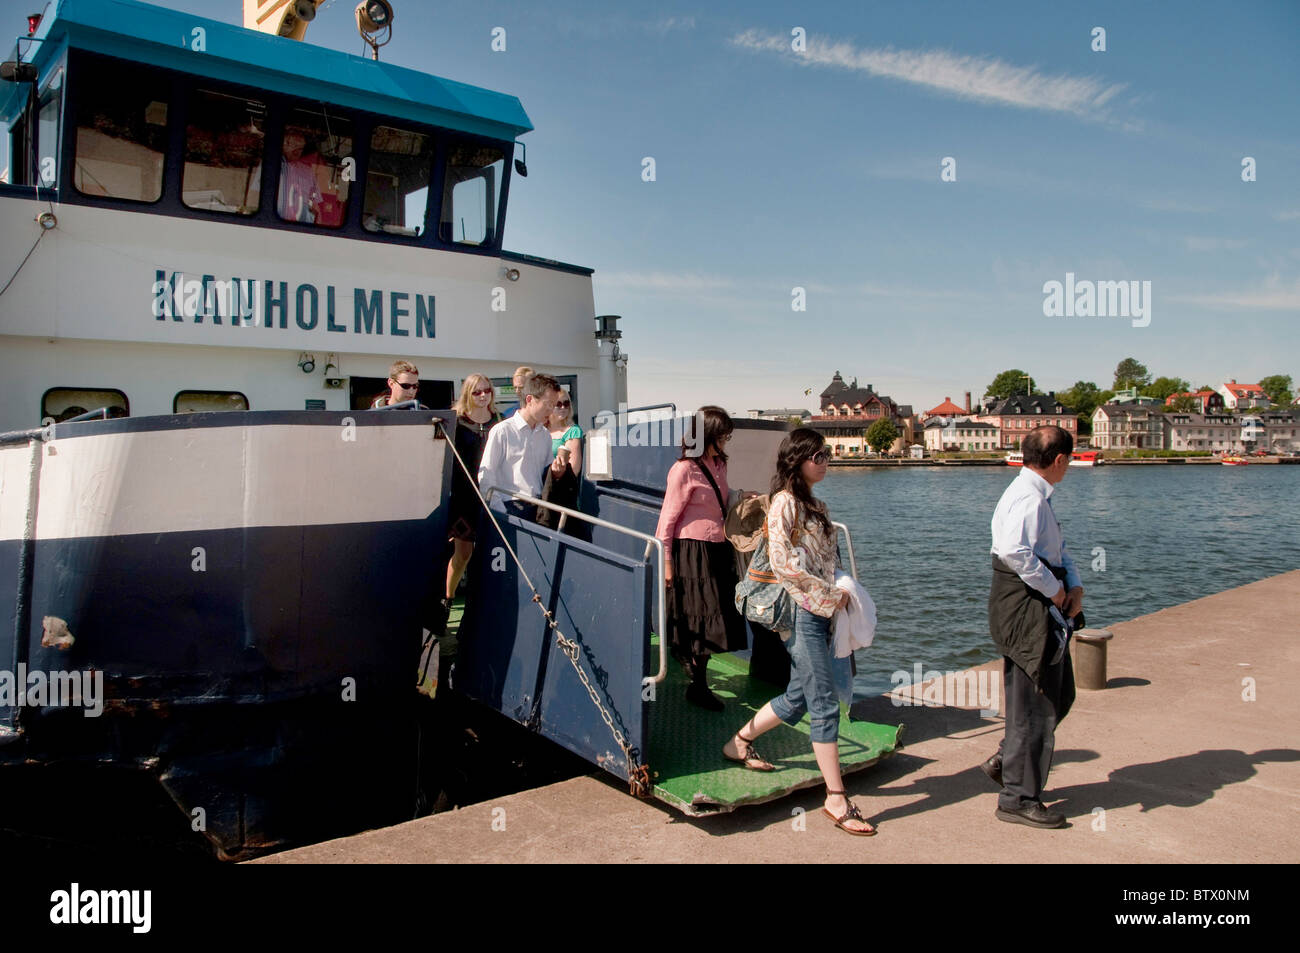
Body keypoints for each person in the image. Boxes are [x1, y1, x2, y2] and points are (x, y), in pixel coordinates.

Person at [721, 428, 876, 836]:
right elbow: (784, 563)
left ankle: (738, 741)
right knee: (823, 700)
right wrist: (827, 594)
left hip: (822, 609)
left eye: (826, 455)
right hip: (802, 611)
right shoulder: (783, 504)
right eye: (817, 455)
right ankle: (836, 799)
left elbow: (826, 559)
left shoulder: (817, 505)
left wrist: (841, 587)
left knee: (800, 694)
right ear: (797, 460)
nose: (824, 461)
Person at [981, 424, 1084, 829]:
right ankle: (1018, 797)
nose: (1069, 467)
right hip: (1027, 610)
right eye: (1069, 461)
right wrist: (1058, 593)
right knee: (1034, 707)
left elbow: (1053, 548)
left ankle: (1008, 762)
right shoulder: (1028, 497)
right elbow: (1014, 552)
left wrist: (1072, 584)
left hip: (1038, 604)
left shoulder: (1034, 495)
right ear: (1059, 460)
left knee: (1060, 695)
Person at [654, 406, 749, 711]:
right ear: (707, 433)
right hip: (691, 552)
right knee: (699, 617)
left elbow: (720, 497)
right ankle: (698, 685)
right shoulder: (683, 469)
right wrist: (666, 561)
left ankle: (694, 673)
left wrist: (743, 496)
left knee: (714, 617)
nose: (726, 439)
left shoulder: (717, 463)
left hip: (717, 548)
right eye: (722, 434)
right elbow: (667, 521)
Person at [444, 374, 503, 607]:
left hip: (492, 494)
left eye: (486, 391)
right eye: (477, 392)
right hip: (463, 496)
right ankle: (448, 598)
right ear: (468, 393)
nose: (482, 396)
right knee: (463, 554)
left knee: (490, 553)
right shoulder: (457, 421)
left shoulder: (498, 421)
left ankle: (481, 603)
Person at [477, 372, 565, 511]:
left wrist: (557, 472)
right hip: (510, 505)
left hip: (538, 507)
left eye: (553, 405)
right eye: (547, 404)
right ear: (529, 399)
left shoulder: (545, 435)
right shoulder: (502, 431)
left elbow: (545, 476)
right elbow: (486, 475)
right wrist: (499, 510)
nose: (551, 410)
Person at [538, 391, 583, 527]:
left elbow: (573, 470)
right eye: (558, 404)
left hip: (559, 493)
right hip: (538, 489)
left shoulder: (572, 431)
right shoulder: (539, 429)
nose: (563, 408)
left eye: (566, 403)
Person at [277, 127, 322, 224]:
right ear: (284, 144)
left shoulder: (308, 172)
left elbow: (316, 206)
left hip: (301, 226)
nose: (297, 151)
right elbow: (254, 195)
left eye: (300, 148)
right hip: (274, 222)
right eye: (293, 145)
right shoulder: (270, 166)